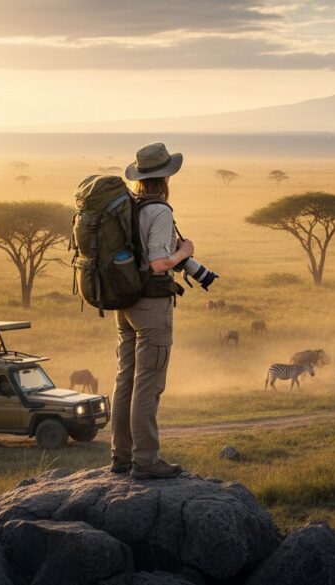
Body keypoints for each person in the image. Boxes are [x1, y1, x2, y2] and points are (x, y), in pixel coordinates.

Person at [111, 143, 194, 479]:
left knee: (125, 378)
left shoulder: (129, 205)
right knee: (148, 383)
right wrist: (184, 252)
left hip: (125, 301)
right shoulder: (159, 210)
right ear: (166, 177)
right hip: (151, 306)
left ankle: (121, 456)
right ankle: (146, 461)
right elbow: (159, 264)